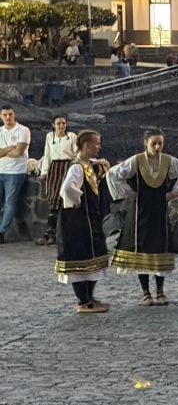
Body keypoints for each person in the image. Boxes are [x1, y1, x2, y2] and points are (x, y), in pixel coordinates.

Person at [106, 129, 178, 305]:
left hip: (159, 211)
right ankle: (146, 292)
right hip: (140, 212)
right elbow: (113, 174)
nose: (158, 147)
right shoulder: (136, 161)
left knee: (159, 247)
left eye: (160, 143)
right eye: (154, 143)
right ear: (146, 143)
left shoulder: (169, 162)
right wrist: (129, 192)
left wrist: (173, 194)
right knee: (141, 250)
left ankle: (160, 291)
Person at [55, 130, 110, 313]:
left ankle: (89, 297)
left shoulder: (87, 164)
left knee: (94, 256)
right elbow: (67, 189)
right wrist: (78, 201)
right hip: (78, 220)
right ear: (86, 145)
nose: (99, 147)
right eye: (96, 143)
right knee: (81, 257)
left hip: (89, 220)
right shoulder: (77, 167)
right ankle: (83, 301)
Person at [36, 115, 77, 246]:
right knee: (53, 201)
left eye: (63, 123)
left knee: (64, 201)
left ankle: (61, 234)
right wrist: (44, 173)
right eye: (58, 123)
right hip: (54, 169)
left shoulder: (71, 136)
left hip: (67, 167)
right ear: (53, 125)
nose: (61, 126)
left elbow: (76, 154)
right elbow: (47, 155)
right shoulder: (50, 137)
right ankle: (50, 233)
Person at [0, 105, 30, 243]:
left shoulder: (23, 130)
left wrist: (4, 151)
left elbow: (19, 152)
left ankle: (1, 232)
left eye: (10, 114)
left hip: (16, 172)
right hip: (1, 170)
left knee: (10, 203)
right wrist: (11, 147)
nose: (8, 117)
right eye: (5, 115)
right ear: (1, 116)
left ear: (14, 115)